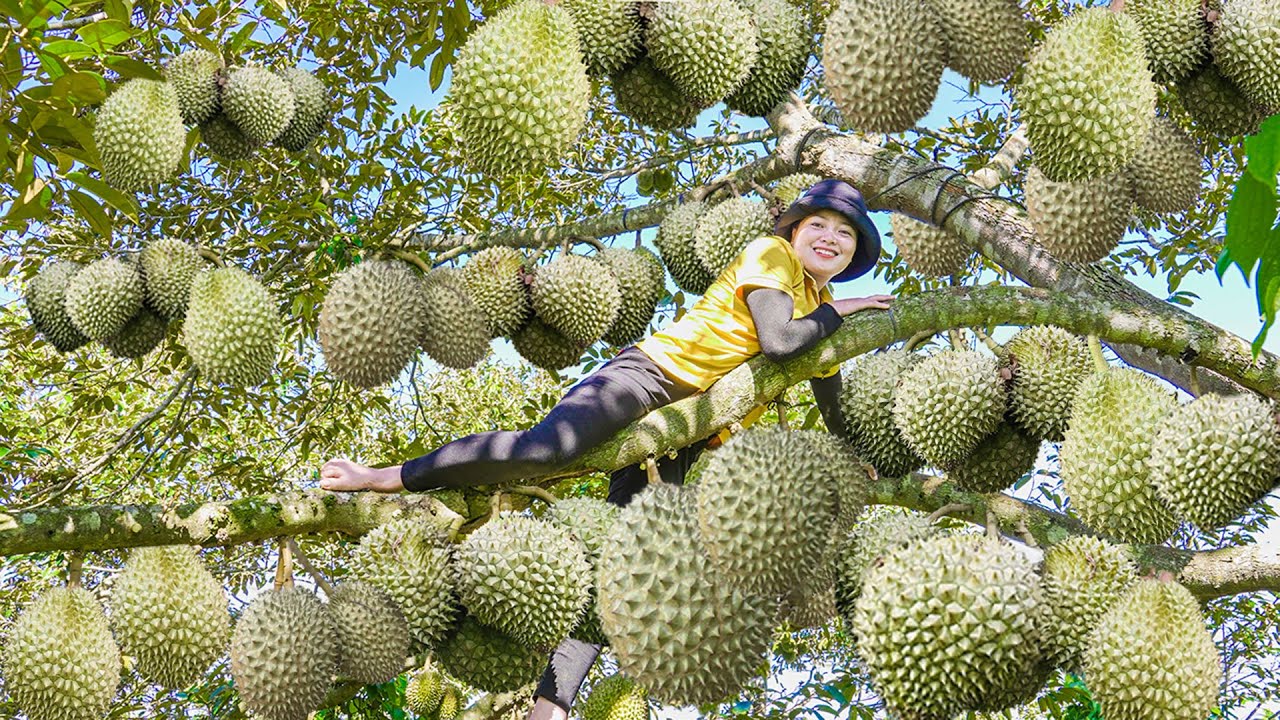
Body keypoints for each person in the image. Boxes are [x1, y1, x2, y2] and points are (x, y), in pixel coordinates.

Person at [319, 178, 893, 719]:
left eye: (844, 235)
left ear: (850, 255)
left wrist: (850, 452)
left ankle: (551, 705)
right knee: (548, 449)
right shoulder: (772, 256)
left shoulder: (817, 295)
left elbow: (825, 381)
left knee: (620, 560)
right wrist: (840, 311)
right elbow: (782, 342)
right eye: (819, 224)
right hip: (650, 376)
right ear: (794, 230)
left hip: (692, 426)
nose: (830, 239)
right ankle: (390, 475)